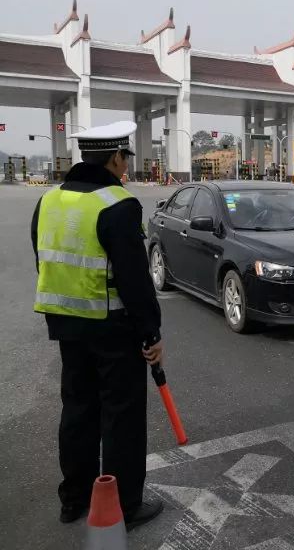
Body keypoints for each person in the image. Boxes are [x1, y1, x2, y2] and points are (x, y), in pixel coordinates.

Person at [31, 121, 164, 530]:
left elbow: (43, 254)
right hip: (112, 327)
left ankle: (73, 499)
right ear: (114, 158)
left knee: (78, 409)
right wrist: (151, 333)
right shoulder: (118, 204)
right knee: (120, 417)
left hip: (66, 324)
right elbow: (135, 278)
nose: (126, 166)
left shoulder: (49, 199)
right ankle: (125, 504)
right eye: (125, 158)